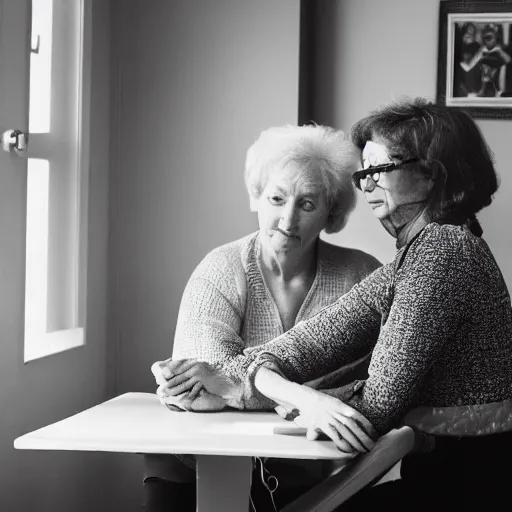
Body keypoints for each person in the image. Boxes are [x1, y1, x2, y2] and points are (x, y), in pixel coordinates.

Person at [158, 98, 512, 510]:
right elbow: (306, 345)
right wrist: (254, 381)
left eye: (380, 170)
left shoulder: (444, 251)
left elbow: (378, 404)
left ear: (433, 174)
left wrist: (283, 396)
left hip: (467, 487)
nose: (366, 186)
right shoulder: (413, 259)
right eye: (365, 173)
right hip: (444, 477)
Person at [145, 124, 382, 511]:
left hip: (307, 463)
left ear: (331, 213)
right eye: (276, 198)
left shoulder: (362, 276)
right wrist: (307, 398)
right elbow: (203, 378)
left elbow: (372, 383)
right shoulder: (220, 269)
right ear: (256, 196)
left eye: (307, 205)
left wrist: (231, 389)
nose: (287, 220)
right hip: (199, 459)